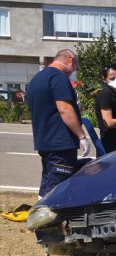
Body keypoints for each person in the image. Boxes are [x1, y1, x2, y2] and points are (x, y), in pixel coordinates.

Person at [27, 49, 91, 197]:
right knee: (57, 188)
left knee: (48, 182)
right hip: (60, 142)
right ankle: (50, 218)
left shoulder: (37, 79)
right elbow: (65, 110)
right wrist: (81, 136)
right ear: (71, 60)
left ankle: (41, 214)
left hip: (45, 140)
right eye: (76, 66)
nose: (74, 70)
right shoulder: (59, 78)